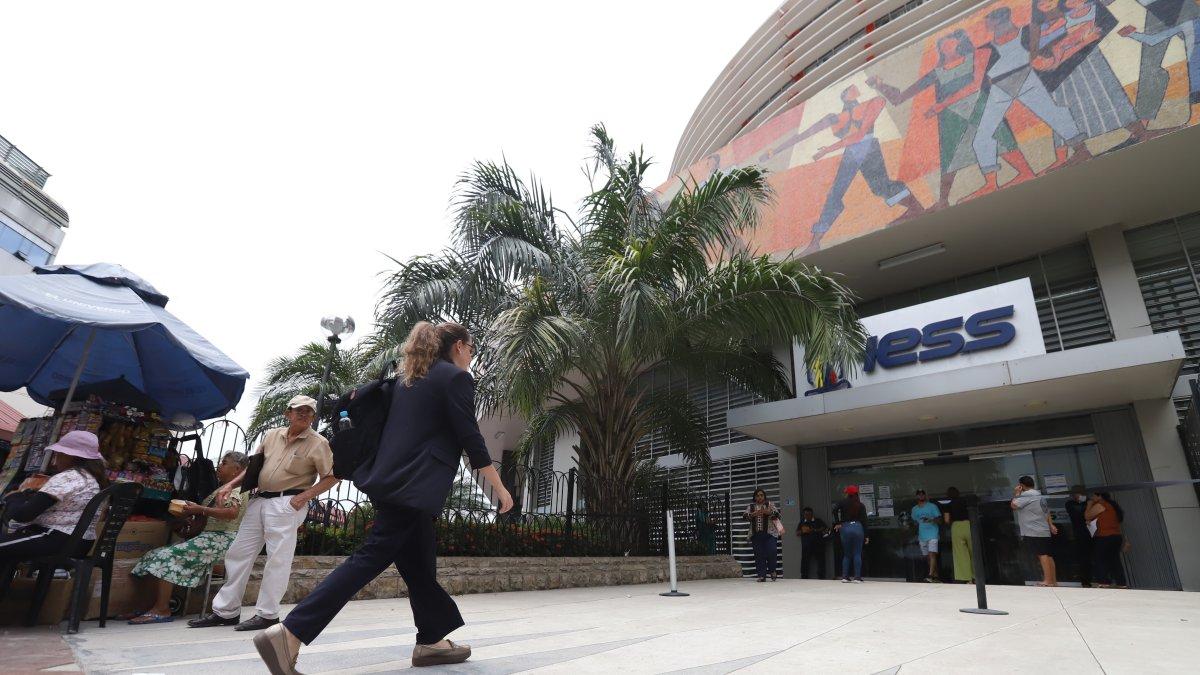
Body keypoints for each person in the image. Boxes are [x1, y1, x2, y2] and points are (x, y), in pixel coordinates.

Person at [254, 322, 514, 673]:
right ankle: (290, 633)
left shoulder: (410, 379)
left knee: (419, 565)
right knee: (370, 557)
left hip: (390, 481)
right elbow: (470, 436)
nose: (470, 357)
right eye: (471, 349)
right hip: (412, 488)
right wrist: (499, 487)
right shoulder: (454, 379)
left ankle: (431, 641)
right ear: (458, 347)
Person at [189, 395, 339, 632]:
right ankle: (226, 612)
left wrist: (302, 497)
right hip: (260, 500)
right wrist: (230, 485)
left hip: (287, 502)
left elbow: (332, 476)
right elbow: (252, 467)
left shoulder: (318, 443)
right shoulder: (272, 436)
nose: (303, 414)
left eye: (309, 412)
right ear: (287, 413)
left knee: (277, 558)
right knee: (238, 552)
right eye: (298, 410)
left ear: (313, 417)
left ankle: (268, 614)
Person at [866, 29, 1035, 210]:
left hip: (979, 107)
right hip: (952, 118)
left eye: (951, 40)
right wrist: (880, 85)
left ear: (960, 42)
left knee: (1001, 139)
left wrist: (941, 105)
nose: (946, 44)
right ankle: (944, 200)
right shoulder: (937, 72)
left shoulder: (978, 54)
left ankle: (1025, 172)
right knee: (950, 156)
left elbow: (975, 85)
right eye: (942, 43)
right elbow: (899, 98)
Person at [759, 84, 925, 253]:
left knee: (880, 187)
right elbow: (804, 135)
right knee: (836, 194)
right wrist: (774, 151)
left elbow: (862, 133)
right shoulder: (836, 117)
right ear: (846, 96)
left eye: (853, 86)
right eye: (849, 89)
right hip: (853, 152)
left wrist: (827, 150)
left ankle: (916, 207)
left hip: (867, 148)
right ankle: (815, 242)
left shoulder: (872, 102)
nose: (854, 87)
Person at [970, 6, 1092, 201]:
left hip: (1026, 78)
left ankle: (1081, 150)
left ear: (997, 20)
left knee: (1054, 113)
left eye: (988, 21)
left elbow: (1055, 31)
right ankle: (991, 182)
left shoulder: (1028, 31)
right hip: (1000, 88)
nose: (985, 25)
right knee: (982, 135)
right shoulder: (985, 48)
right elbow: (979, 80)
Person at [123, 451, 249, 624]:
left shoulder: (235, 489)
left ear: (236, 469)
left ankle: (162, 609)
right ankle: (149, 606)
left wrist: (200, 510)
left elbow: (231, 512)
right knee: (152, 555)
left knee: (165, 557)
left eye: (224, 463)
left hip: (220, 540)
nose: (219, 466)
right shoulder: (223, 488)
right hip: (209, 537)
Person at [0, 431, 107, 562]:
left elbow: (24, 515)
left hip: (55, 539)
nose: (55, 461)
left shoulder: (68, 477)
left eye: (58, 454)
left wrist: (13, 498)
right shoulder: (93, 480)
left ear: (69, 455)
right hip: (81, 544)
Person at [1011, 475, 1059, 586]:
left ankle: (1047, 581)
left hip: (1034, 530)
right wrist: (1051, 525)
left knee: (1042, 555)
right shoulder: (1039, 495)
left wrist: (1017, 493)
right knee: (1048, 555)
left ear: (1022, 486)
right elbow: (1046, 512)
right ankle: (1053, 581)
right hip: (1043, 529)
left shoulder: (1026, 495)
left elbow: (1013, 505)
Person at [1086, 491, 1127, 588]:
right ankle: (1121, 583)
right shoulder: (1111, 505)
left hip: (1105, 536)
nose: (1092, 498)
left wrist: (1089, 505)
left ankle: (1104, 581)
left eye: (1093, 496)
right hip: (1116, 536)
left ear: (1099, 496)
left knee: (1100, 558)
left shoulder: (1100, 505)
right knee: (1114, 559)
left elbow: (1087, 515)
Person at [833, 485, 869, 583]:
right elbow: (865, 521)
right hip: (858, 527)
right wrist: (866, 535)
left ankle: (845, 576)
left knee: (847, 554)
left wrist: (838, 523)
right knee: (857, 553)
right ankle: (857, 577)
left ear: (847, 493)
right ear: (857, 493)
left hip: (845, 528)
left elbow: (834, 510)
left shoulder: (842, 502)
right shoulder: (861, 505)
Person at [744, 489, 781, 582]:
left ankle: (772, 570)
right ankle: (762, 575)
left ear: (764, 496)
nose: (759, 497)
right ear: (755, 497)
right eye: (757, 495)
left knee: (772, 551)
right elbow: (744, 516)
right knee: (759, 555)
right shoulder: (751, 507)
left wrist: (769, 513)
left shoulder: (769, 505)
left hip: (770, 534)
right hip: (756, 535)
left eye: (761, 495)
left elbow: (778, 515)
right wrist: (752, 514)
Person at [943, 487, 974, 583]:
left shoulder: (948, 505)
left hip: (957, 526)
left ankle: (967, 579)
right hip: (969, 525)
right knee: (973, 552)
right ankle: (976, 576)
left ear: (948, 495)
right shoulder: (965, 502)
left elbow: (947, 520)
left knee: (961, 554)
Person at [1064, 484, 1093, 587]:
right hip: (1080, 534)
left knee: (1095, 556)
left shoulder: (1090, 502)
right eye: (1076, 494)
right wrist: (1087, 504)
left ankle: (1101, 580)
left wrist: (1088, 502)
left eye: (1080, 493)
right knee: (1083, 558)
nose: (1078, 495)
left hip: (1094, 533)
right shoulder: (1070, 504)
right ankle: (1086, 581)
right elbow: (1079, 514)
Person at [911, 489, 942, 583]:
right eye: (919, 494)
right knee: (928, 557)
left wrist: (931, 520)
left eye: (922, 494)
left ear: (925, 495)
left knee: (932, 554)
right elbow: (914, 522)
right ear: (916, 496)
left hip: (933, 533)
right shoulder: (914, 509)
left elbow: (940, 520)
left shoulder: (932, 506)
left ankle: (930, 575)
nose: (920, 496)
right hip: (922, 535)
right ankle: (936, 577)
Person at [796, 506, 829, 580]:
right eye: (806, 514)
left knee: (821, 561)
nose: (807, 516)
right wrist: (803, 531)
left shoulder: (818, 521)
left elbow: (825, 528)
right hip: (806, 546)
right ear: (804, 515)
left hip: (818, 545)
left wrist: (814, 530)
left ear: (812, 514)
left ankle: (822, 577)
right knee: (805, 562)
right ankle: (804, 577)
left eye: (809, 514)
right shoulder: (802, 522)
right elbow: (797, 533)